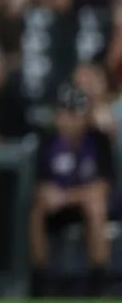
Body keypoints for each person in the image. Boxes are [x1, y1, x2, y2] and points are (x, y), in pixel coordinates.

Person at [29, 83, 115, 297]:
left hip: (85, 204)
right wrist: (50, 195)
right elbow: (41, 184)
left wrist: (67, 196)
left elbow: (103, 186)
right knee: (37, 206)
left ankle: (99, 279)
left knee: (95, 204)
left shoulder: (98, 140)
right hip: (56, 208)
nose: (69, 119)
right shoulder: (47, 141)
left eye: (75, 113)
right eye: (64, 113)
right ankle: (41, 278)